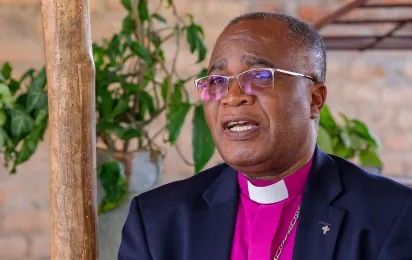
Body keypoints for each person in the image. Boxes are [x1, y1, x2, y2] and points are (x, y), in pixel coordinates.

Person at [118, 12, 412, 260]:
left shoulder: (391, 217)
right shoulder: (157, 222)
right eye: (217, 81)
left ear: (314, 99)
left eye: (259, 77)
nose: (232, 97)